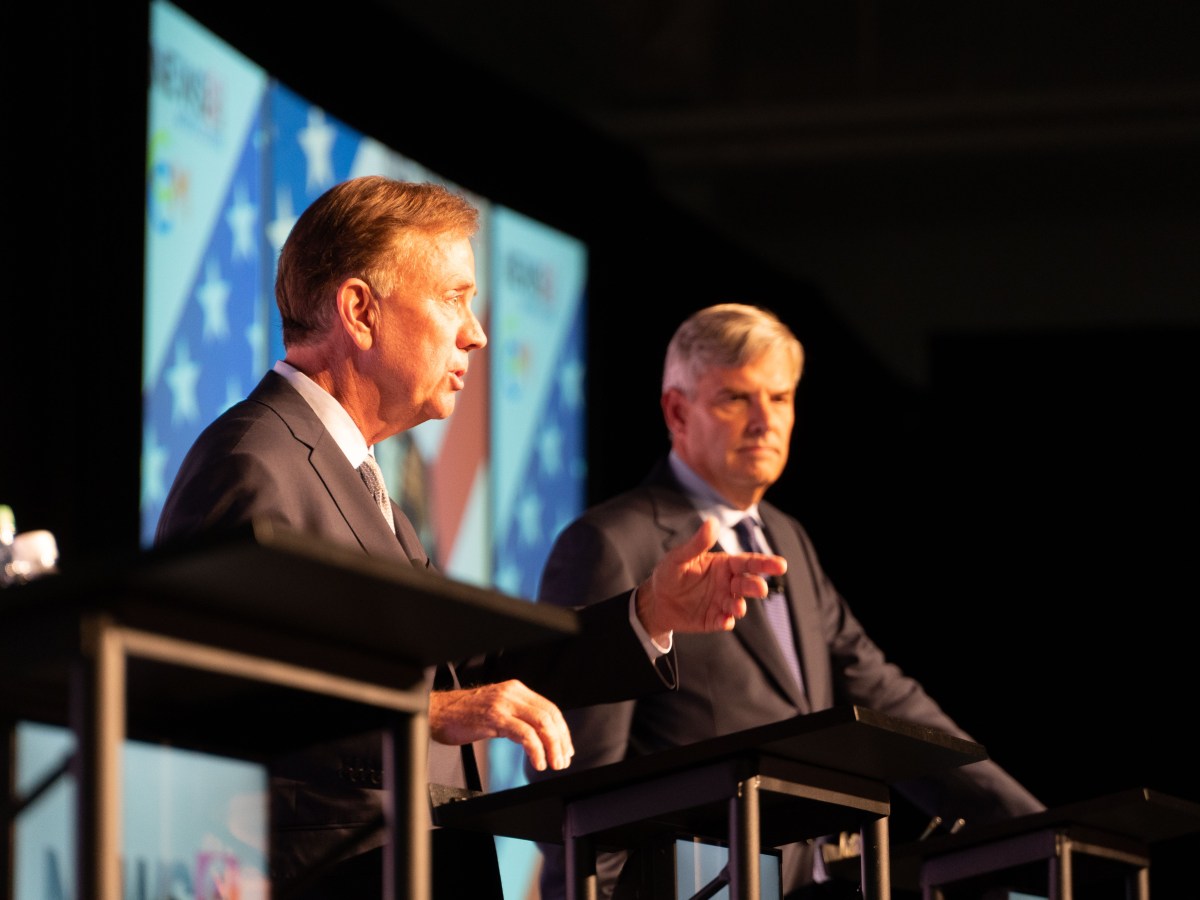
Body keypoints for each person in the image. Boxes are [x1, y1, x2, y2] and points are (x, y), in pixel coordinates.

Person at [155, 178, 786, 899]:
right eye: (454, 297)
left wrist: (648, 614)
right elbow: (222, 689)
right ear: (360, 311)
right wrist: (429, 715)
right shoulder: (255, 460)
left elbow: (467, 674)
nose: (477, 332)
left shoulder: (355, 476)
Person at [527, 302, 1045, 899]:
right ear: (677, 411)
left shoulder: (785, 537)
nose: (764, 421)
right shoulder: (610, 545)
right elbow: (575, 782)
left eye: (779, 398)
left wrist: (1037, 834)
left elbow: (887, 700)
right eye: (735, 399)